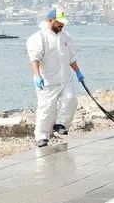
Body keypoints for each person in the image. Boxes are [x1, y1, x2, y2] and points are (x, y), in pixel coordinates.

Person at [27, 8, 85, 147]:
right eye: (59, 22)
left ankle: (60, 124)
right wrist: (37, 76)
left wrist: (78, 72)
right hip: (48, 80)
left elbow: (71, 57)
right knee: (46, 108)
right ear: (50, 20)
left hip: (65, 78)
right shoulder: (39, 37)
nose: (61, 25)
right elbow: (35, 58)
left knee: (70, 99)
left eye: (63, 23)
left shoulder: (66, 36)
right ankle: (42, 136)